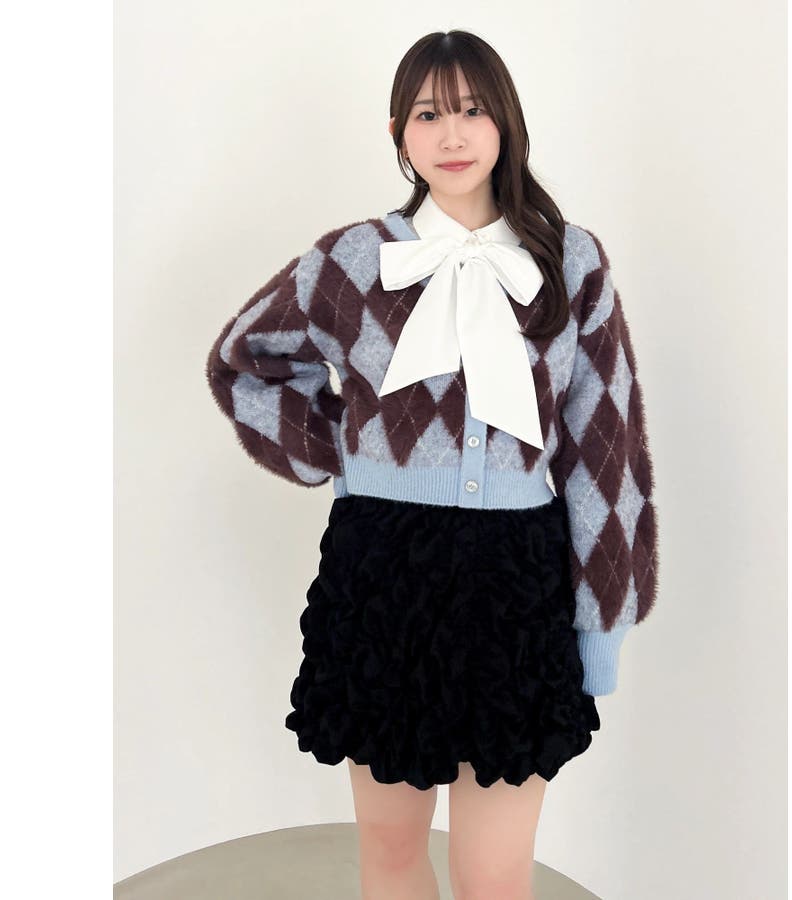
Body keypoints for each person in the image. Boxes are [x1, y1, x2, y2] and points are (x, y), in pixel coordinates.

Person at [205, 28, 660, 900]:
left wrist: (600, 626)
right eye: (428, 114)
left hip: (515, 582)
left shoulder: (571, 263)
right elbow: (244, 360)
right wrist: (341, 451)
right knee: (390, 853)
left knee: (496, 875)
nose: (452, 135)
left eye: (473, 110)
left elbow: (607, 453)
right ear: (398, 133)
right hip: (383, 571)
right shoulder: (352, 260)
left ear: (506, 122)